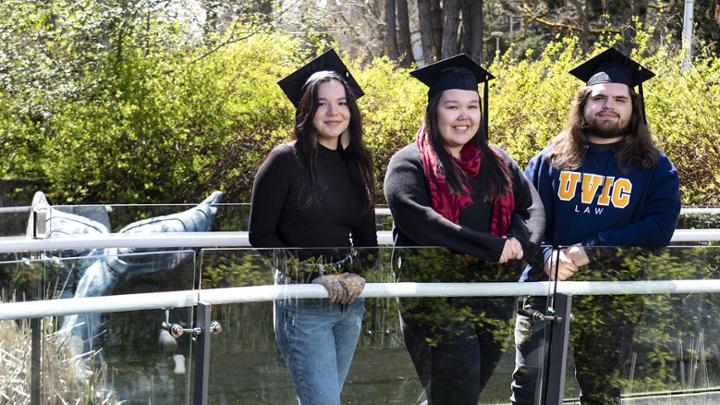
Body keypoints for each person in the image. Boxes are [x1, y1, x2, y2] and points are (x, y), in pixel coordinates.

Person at [511, 47, 681, 404]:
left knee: (601, 393)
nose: (609, 105)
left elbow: (658, 229)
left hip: (613, 294)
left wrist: (592, 250)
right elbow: (520, 217)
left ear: (633, 108)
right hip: (545, 287)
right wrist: (544, 256)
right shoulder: (550, 159)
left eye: (620, 99)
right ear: (582, 105)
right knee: (530, 389)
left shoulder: (655, 167)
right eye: (599, 97)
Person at [384, 54, 545, 404]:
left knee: (461, 392)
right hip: (434, 299)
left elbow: (531, 206)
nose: (464, 116)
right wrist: (489, 246)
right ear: (433, 110)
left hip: (492, 297)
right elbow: (422, 222)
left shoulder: (498, 160)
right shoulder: (408, 162)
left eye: (472, 106)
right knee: (457, 390)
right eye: (452, 106)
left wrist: (521, 242)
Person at [248, 49, 377, 405]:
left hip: (349, 301)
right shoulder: (284, 161)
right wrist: (310, 279)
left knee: (324, 399)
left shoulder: (358, 164)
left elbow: (368, 242)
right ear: (307, 110)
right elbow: (261, 236)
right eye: (323, 104)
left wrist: (358, 274)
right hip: (302, 300)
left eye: (342, 103)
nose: (334, 112)